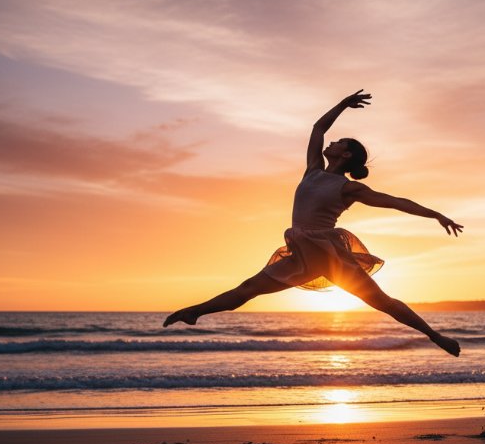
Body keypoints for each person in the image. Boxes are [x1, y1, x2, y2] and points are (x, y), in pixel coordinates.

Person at [163, 90, 463, 356]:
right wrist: (343, 104)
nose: (330, 141)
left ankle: (436, 337)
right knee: (249, 287)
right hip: (302, 254)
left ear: (345, 154)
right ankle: (195, 312)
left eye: (339, 141)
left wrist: (436, 214)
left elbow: (396, 202)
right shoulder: (312, 170)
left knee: (382, 302)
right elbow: (318, 128)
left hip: (328, 254)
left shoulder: (349, 188)